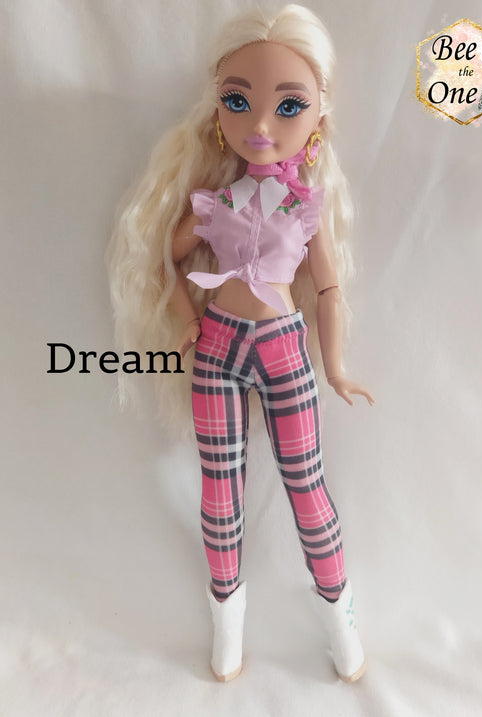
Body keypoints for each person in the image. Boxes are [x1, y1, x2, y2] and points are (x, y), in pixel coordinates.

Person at [108, 4, 373, 683]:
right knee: (220, 493)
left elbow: (328, 289)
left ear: (318, 116)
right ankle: (227, 622)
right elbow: (164, 260)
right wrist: (182, 319)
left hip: (285, 347)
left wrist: (336, 365)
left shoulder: (306, 206)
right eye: (238, 101)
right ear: (217, 110)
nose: (260, 125)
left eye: (289, 106)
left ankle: (340, 618)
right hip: (218, 348)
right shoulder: (213, 203)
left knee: (306, 486)